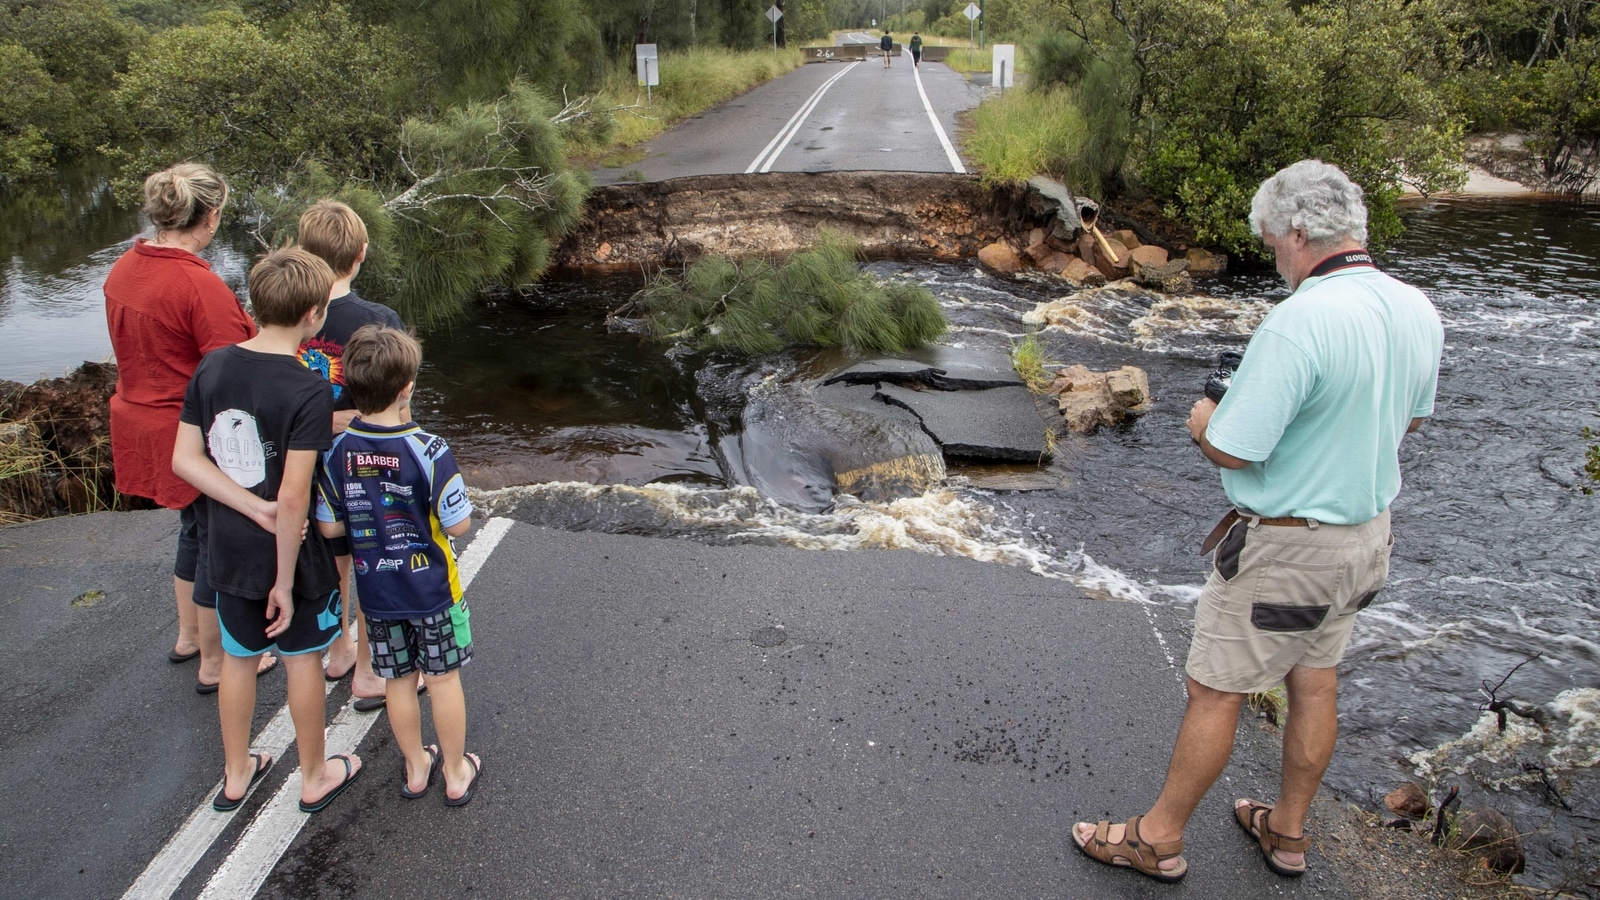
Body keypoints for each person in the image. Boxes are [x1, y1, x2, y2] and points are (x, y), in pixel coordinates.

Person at [1072, 160, 1443, 882]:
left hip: (1290, 549)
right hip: (1366, 540)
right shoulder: (1415, 308)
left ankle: (1157, 839)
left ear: (1301, 232)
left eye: (1273, 242)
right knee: (1315, 680)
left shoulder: (1300, 319)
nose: (1273, 256)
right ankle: (1288, 833)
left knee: (1216, 689)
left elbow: (1235, 445)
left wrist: (1206, 418)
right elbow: (1413, 417)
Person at [172, 248, 364, 813]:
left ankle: (235, 773)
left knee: (238, 656)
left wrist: (244, 507)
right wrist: (282, 577)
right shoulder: (307, 389)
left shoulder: (213, 365)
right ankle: (313, 775)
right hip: (290, 554)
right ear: (313, 314)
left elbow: (186, 459)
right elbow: (292, 496)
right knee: (303, 657)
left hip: (227, 546)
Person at [102, 162, 277, 691]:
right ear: (211, 216)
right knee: (215, 541)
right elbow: (234, 368)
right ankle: (215, 662)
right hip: (193, 434)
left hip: (141, 421)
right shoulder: (197, 286)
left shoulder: (123, 269)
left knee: (193, 531)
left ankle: (188, 636)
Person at [314, 325, 481, 805]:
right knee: (444, 678)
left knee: (398, 680)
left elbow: (328, 528)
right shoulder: (430, 450)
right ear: (407, 387)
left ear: (351, 387)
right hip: (432, 591)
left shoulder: (339, 453)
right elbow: (459, 525)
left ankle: (414, 767)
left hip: (377, 595)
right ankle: (454, 773)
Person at [293, 199, 408, 711]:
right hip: (363, 464)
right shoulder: (377, 319)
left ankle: (337, 650)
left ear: (302, 251)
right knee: (370, 558)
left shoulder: (289, 314)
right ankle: (367, 669)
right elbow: (397, 399)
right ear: (361, 253)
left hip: (307, 461)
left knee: (332, 555)